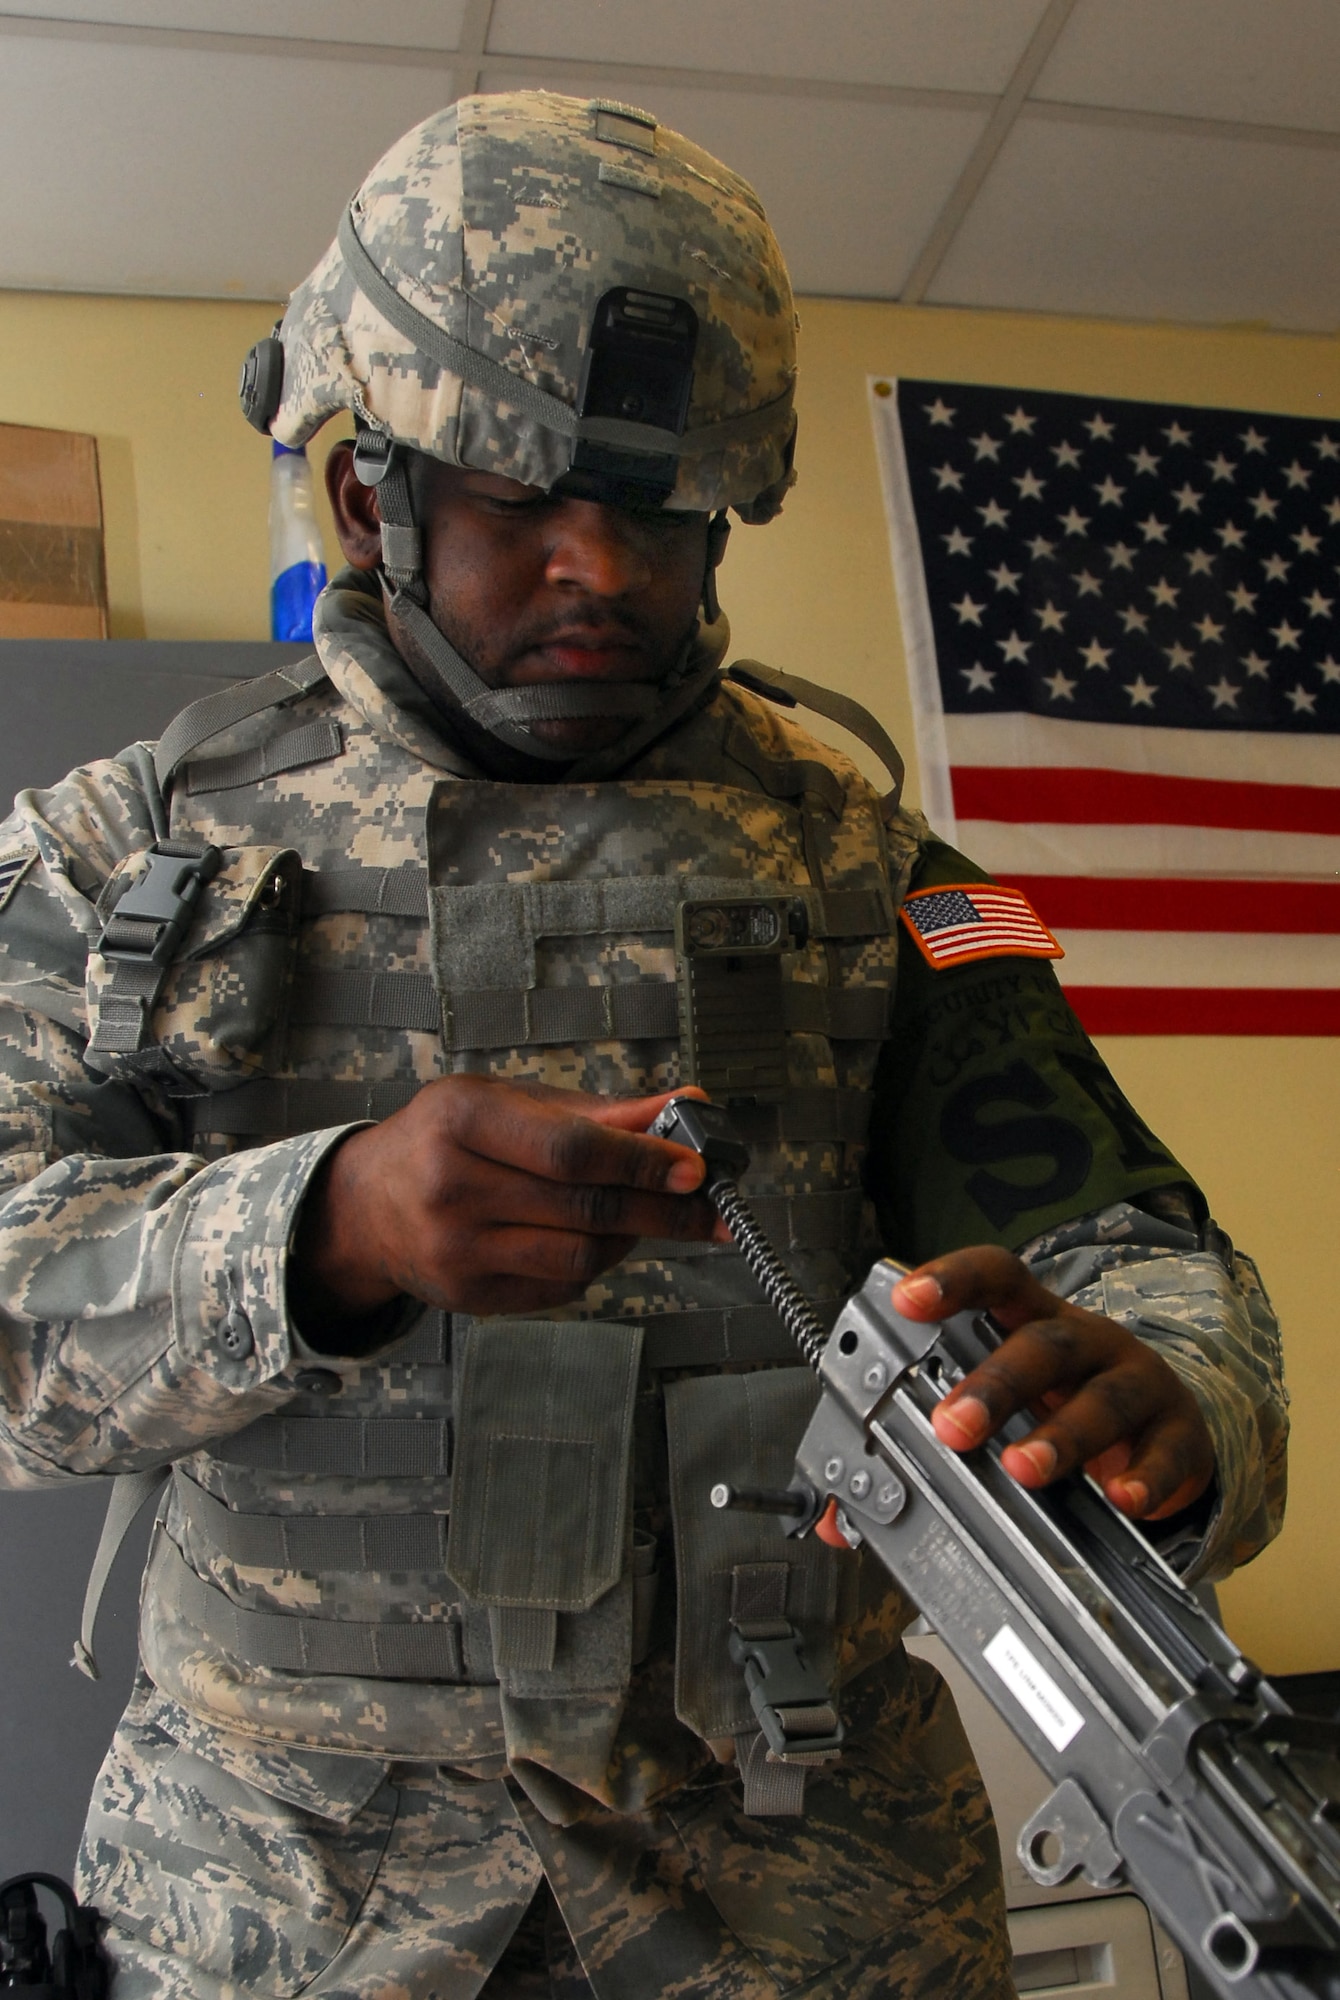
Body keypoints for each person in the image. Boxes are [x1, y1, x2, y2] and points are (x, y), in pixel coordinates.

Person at [0, 92, 1285, 2000]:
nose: (599, 567)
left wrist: (1178, 1400)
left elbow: (1130, 1248)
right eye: (521, 502)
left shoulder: (881, 869)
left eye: (661, 511)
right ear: (369, 498)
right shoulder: (124, 852)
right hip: (284, 1896)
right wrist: (324, 1226)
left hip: (805, 1887)